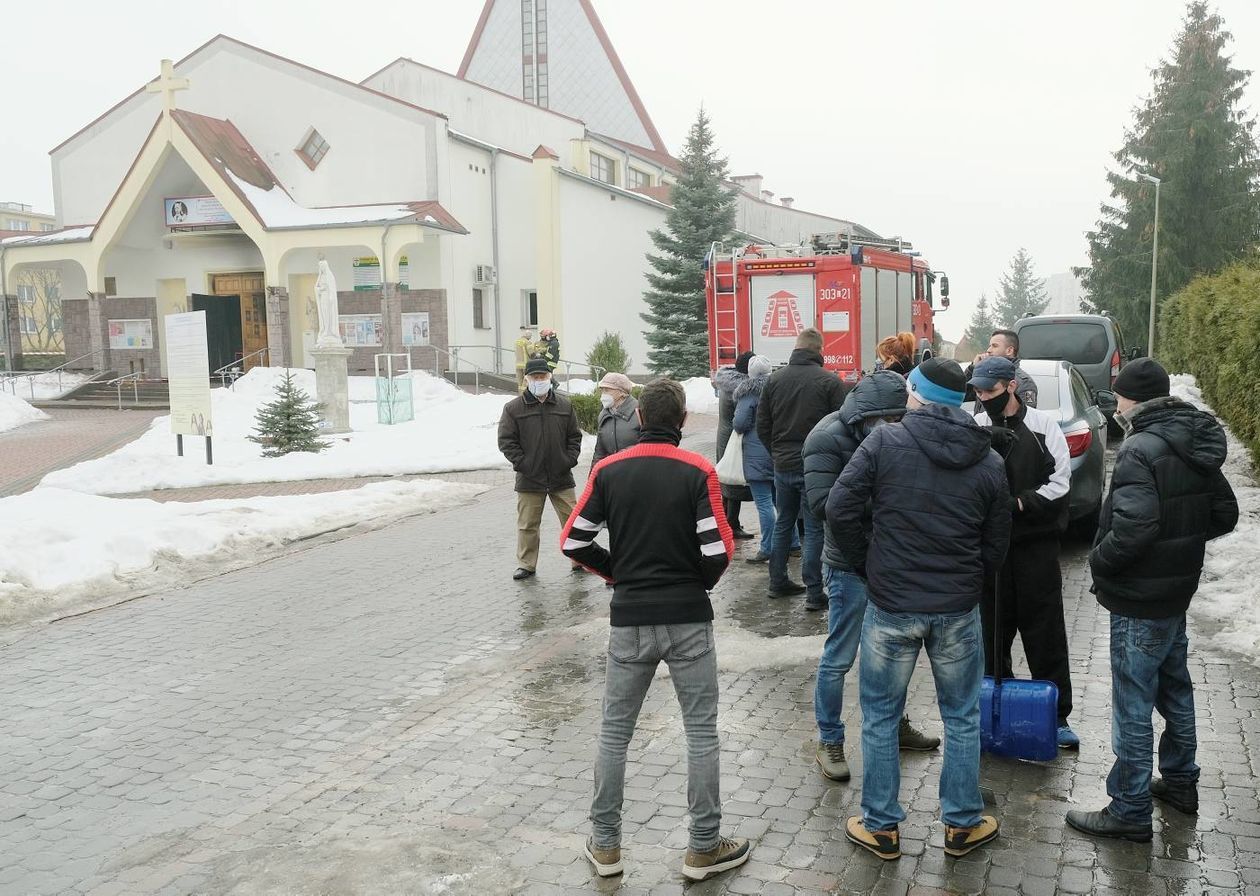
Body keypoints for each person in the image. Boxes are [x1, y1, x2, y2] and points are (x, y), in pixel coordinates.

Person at [562, 378, 752, 882]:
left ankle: (606, 848)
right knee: (701, 733)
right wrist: (694, 584)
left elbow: (572, 541)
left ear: (640, 418)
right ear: (683, 420)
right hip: (689, 618)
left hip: (629, 618)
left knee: (614, 733)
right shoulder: (697, 470)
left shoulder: (607, 470)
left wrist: (617, 573)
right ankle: (703, 848)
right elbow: (719, 550)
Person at [828, 358, 1010, 860]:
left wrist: (870, 565)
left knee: (881, 717)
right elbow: (997, 543)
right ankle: (961, 824)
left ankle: (882, 827)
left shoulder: (884, 442)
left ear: (917, 394)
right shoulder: (989, 460)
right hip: (956, 608)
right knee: (962, 716)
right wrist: (970, 579)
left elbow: (838, 509)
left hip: (891, 604)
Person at [1066, 359, 1237, 842]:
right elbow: (1224, 513)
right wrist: (1181, 545)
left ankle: (1130, 807)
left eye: (1119, 394)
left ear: (1133, 398)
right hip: (1174, 593)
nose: (1115, 401)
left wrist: (1099, 560)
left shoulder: (1141, 447)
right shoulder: (1190, 440)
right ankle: (1181, 783)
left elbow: (1136, 527)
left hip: (1140, 598)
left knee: (1133, 704)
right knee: (1175, 689)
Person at [802, 370, 939, 784]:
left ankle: (895, 726)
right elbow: (823, 505)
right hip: (848, 565)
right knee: (839, 657)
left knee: (892, 655)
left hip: (893, 562)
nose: (895, 428)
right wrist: (886, 502)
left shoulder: (896, 432)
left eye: (901, 418)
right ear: (866, 414)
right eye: (888, 421)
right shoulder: (826, 438)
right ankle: (830, 740)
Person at [969, 356, 1078, 748]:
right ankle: (997, 709)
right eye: (978, 392)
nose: (983, 398)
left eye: (990, 391)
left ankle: (1058, 714)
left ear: (1011, 386)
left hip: (1035, 548)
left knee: (1045, 633)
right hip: (991, 553)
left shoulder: (1044, 425)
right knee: (990, 635)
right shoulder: (976, 426)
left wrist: (1020, 504)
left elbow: (1061, 482)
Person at [756, 328, 846, 608]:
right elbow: (841, 425)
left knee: (784, 521)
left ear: (796, 348)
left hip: (783, 464)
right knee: (815, 526)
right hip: (816, 466)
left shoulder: (774, 380)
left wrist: (776, 452)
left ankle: (777, 581)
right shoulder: (830, 382)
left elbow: (763, 424)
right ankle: (814, 591)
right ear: (820, 350)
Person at [498, 357, 583, 580]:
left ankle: (580, 558)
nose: (539, 380)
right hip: (529, 478)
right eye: (535, 377)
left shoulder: (564, 405)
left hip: (561, 476)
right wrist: (523, 464)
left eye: (543, 376)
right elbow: (507, 441)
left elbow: (574, 437)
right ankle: (526, 564)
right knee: (527, 524)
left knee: (572, 520)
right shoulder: (513, 408)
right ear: (527, 379)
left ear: (549, 377)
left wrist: (569, 459)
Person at [732, 355, 776, 562]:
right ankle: (792, 544)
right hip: (778, 450)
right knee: (783, 504)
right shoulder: (779, 388)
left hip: (757, 454)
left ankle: (768, 547)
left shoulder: (749, 393)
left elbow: (740, 423)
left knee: (765, 504)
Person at [713, 353, 755, 540]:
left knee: (727, 480)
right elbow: (744, 417)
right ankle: (732, 523)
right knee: (734, 481)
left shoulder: (727, 382)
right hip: (733, 438)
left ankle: (726, 522)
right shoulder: (739, 388)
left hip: (725, 435)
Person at [965, 329, 1037, 408]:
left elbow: (1026, 416)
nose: (988, 350)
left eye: (994, 346)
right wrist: (973, 368)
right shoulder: (985, 375)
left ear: (1009, 350)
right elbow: (964, 395)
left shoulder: (1024, 383)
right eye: (989, 346)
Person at [592, 372, 641, 467]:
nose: (603, 394)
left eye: (607, 390)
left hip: (635, 472)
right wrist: (593, 478)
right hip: (612, 474)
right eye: (602, 390)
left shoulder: (640, 412)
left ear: (622, 392)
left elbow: (648, 447)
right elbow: (599, 452)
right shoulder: (604, 414)